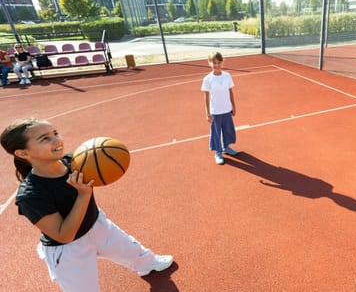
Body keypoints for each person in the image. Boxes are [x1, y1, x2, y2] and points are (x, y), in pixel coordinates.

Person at [0, 118, 173, 292]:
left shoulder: (76, 161)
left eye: (55, 133)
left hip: (97, 223)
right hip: (68, 251)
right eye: (45, 138)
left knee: (131, 249)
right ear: (23, 153)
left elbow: (103, 171)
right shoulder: (31, 194)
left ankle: (147, 263)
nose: (56, 140)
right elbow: (64, 235)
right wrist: (83, 195)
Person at [201, 52, 238, 165]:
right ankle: (218, 152)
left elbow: (230, 91)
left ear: (222, 62)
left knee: (228, 130)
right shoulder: (208, 79)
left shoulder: (227, 76)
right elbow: (206, 96)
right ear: (209, 63)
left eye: (218, 62)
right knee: (216, 133)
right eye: (214, 63)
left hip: (227, 109)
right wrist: (207, 113)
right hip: (215, 111)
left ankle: (226, 147)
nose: (216, 65)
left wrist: (233, 106)